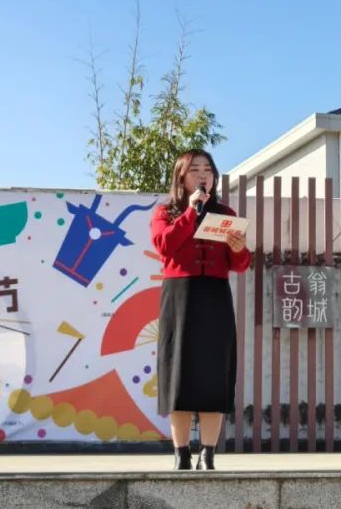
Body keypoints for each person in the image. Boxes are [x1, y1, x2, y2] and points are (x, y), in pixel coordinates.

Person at [150, 149, 251, 470]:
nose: (203, 175)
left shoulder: (225, 213)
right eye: (195, 170)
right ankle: (181, 454)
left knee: (213, 375)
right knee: (178, 374)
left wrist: (240, 249)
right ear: (181, 177)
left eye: (208, 169)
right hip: (179, 297)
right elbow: (164, 245)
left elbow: (239, 264)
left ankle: (208, 454)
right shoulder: (166, 212)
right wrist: (191, 213)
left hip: (215, 296)